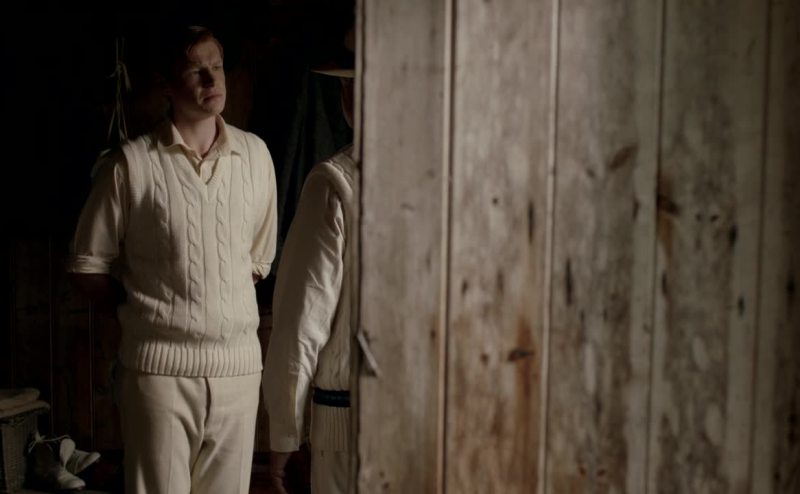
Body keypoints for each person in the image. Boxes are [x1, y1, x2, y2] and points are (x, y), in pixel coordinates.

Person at [67, 25, 277, 494]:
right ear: (165, 83)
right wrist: (144, 309)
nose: (211, 80)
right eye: (196, 70)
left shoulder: (256, 155)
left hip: (239, 371)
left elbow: (258, 259)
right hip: (158, 373)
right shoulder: (132, 164)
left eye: (217, 67)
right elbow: (86, 265)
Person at [262, 26, 357, 494]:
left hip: (347, 424)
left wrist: (285, 433)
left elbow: (303, 319)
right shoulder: (459, 184)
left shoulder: (334, 183)